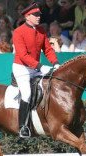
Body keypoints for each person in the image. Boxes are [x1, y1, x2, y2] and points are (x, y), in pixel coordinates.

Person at [12, 2, 60, 138]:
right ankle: (23, 127)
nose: (38, 17)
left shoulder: (41, 30)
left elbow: (48, 49)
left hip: (35, 67)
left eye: (39, 14)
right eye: (35, 15)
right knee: (26, 93)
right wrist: (40, 66)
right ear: (27, 16)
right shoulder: (18, 32)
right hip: (22, 67)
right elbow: (23, 55)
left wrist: (55, 63)